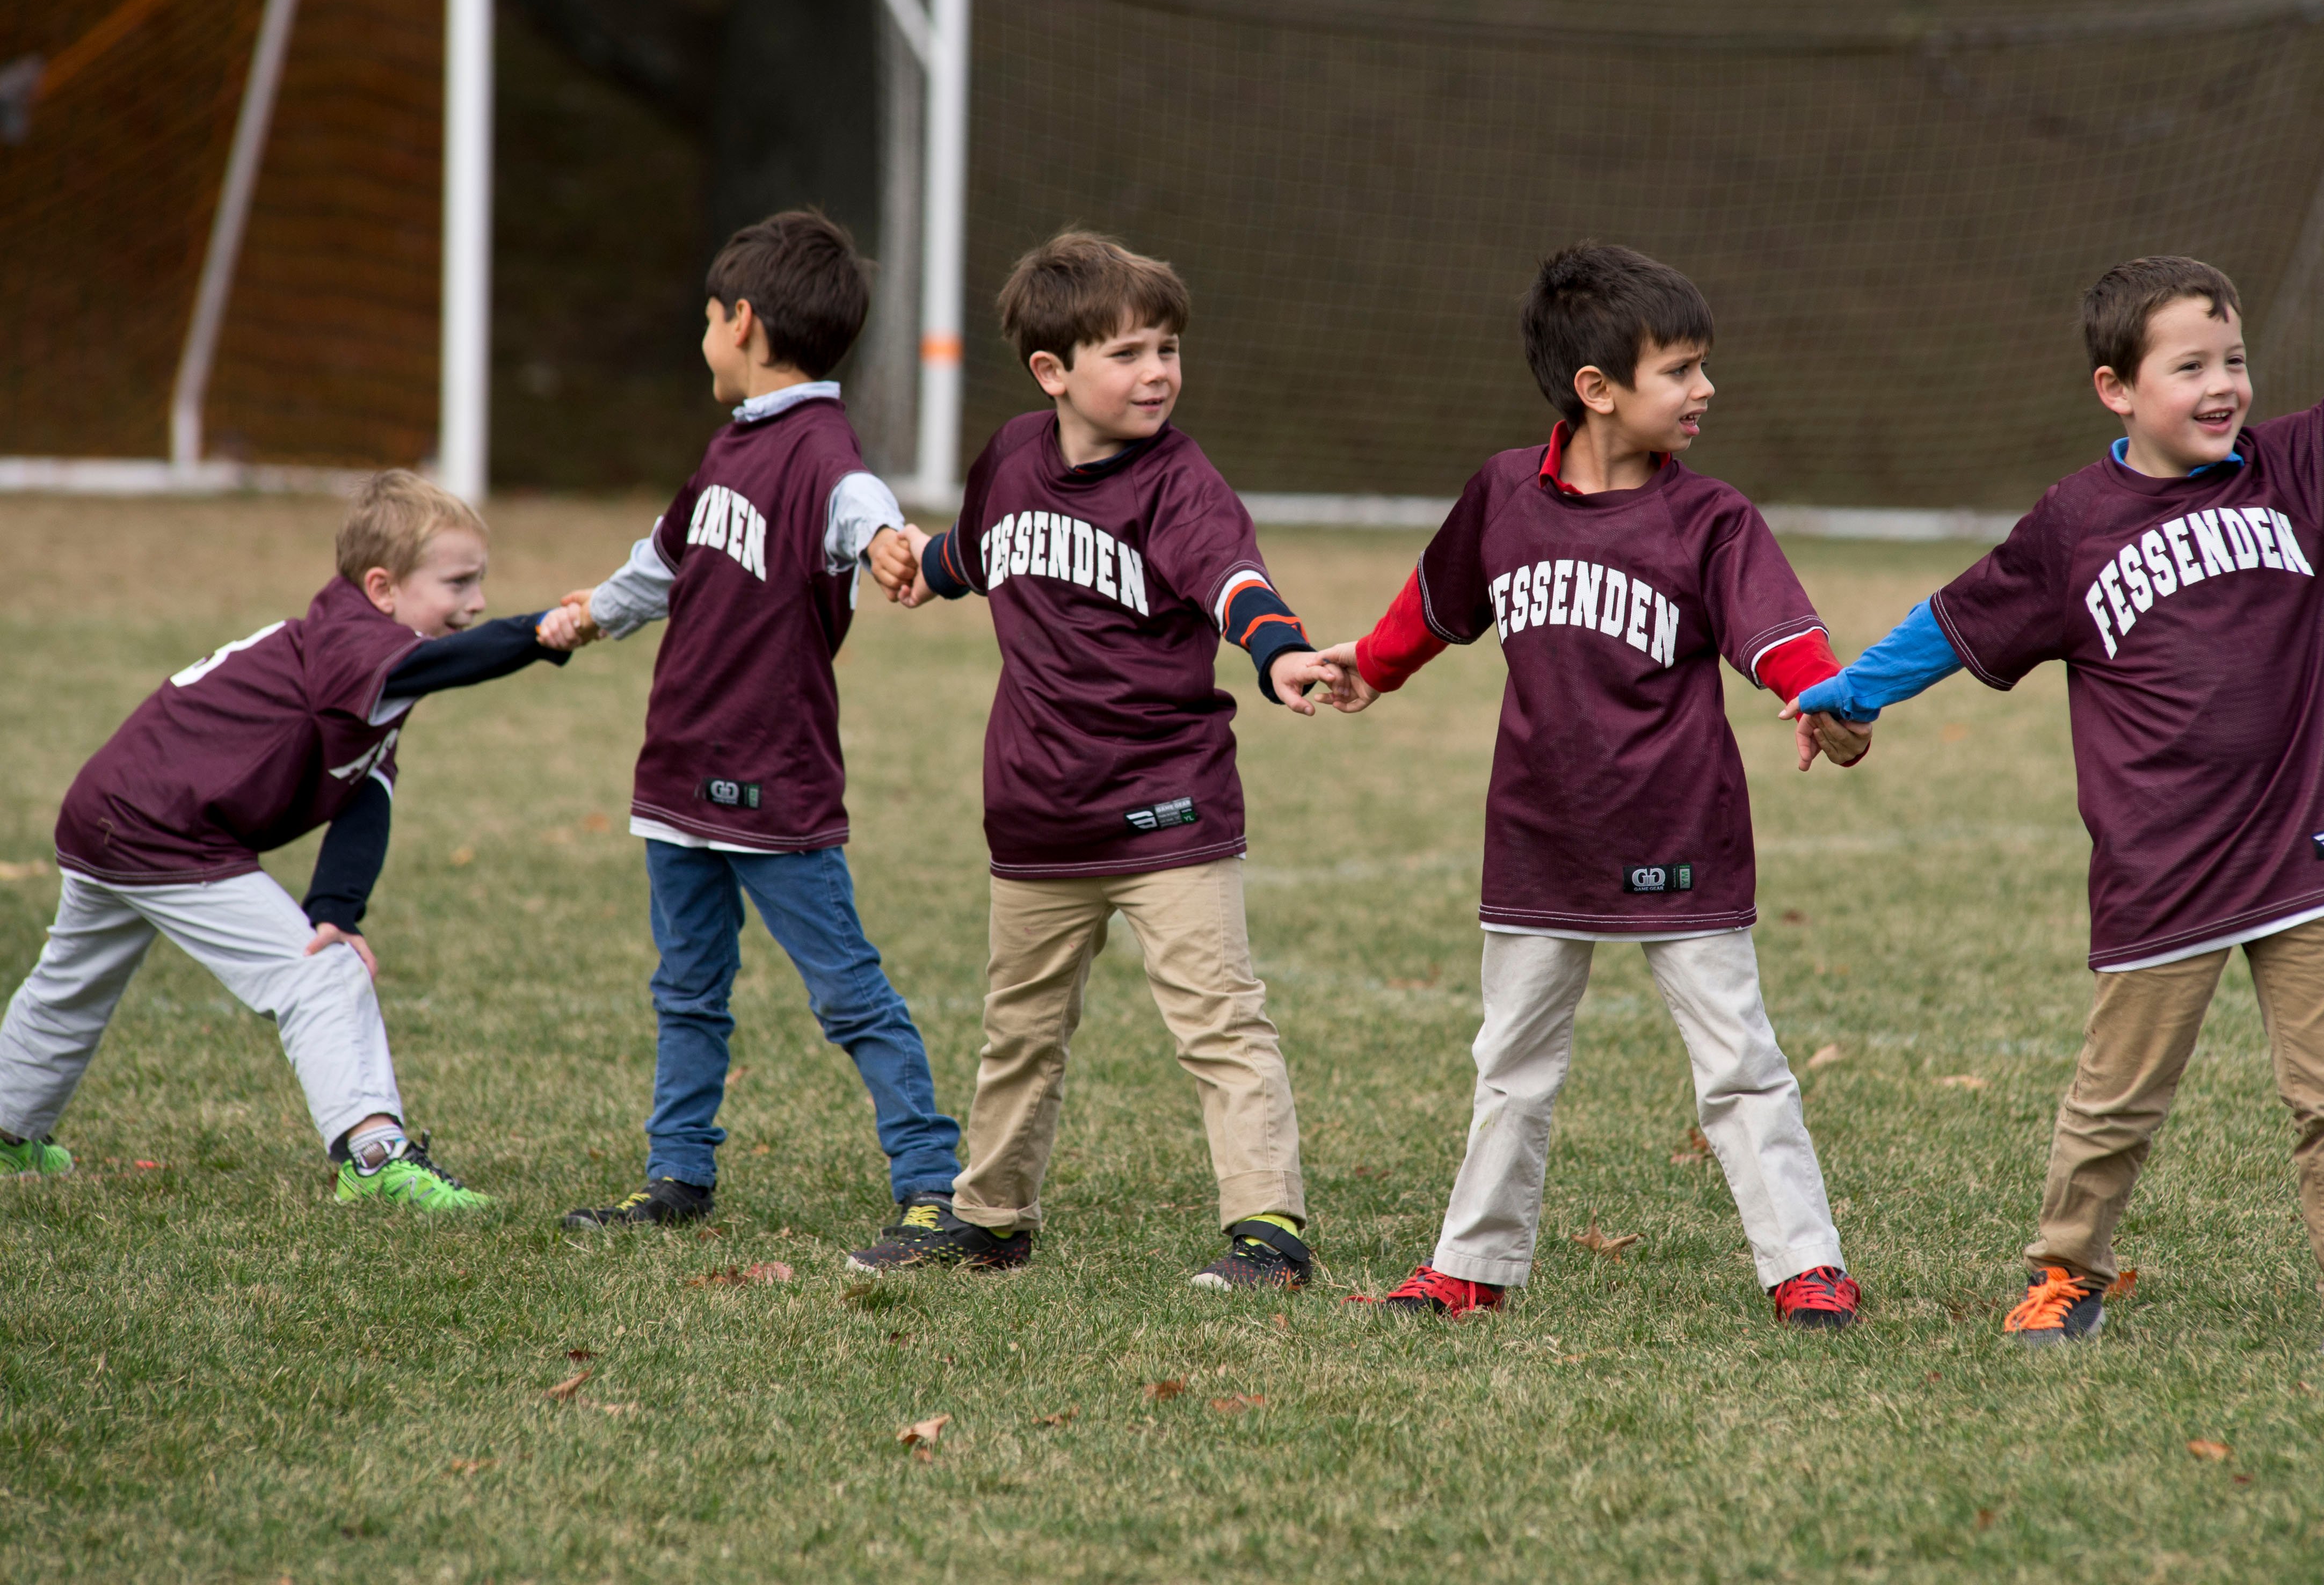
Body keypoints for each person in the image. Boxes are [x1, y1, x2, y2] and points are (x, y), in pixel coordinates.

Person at [1793, 182, 2324, 1357]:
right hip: (2161, 864)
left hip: (2306, 841)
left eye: (2232, 357)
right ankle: (2067, 1274)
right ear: (2117, 390)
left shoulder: (2297, 467)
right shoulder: (2072, 527)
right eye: (2188, 366)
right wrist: (1849, 692)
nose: (2222, 384)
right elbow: (1951, 617)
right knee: (2116, 1101)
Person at [1317, 243, 1874, 1328]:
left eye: (1702, 366)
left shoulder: (1711, 519)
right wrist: (1369, 668)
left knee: (1738, 1063)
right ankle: (1471, 1262)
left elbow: (1781, 639)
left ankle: (1805, 1263)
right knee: (1510, 1062)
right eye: (1679, 369)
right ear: (1596, 389)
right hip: (1539, 835)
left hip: (1679, 831)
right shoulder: (1499, 495)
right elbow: (1435, 604)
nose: (1704, 389)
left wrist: (1828, 703)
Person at [860, 230, 1339, 1290]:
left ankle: (1268, 1227)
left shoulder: (1181, 483)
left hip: (1166, 808)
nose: (1157, 372)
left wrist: (1282, 653)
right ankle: (990, 1217)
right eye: (1127, 353)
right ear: (1054, 372)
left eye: (1167, 348)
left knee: (1220, 1021)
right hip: (1036, 813)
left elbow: (1234, 585)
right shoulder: (1013, 457)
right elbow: (978, 548)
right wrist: (916, 565)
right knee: (1019, 1029)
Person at [550, 210, 964, 1241]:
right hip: (680, 774)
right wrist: (591, 614)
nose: (703, 342)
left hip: (774, 789)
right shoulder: (731, 447)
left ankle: (932, 1182)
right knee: (687, 991)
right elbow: (665, 558)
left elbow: (862, 503)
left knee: (849, 996)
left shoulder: (823, 452)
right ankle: (676, 1179)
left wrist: (886, 543)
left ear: (741, 322)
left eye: (705, 322)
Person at [0, 470, 577, 1206]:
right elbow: (446, 664)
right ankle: (375, 1159)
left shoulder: (362, 651)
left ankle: (8, 1133)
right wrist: (535, 634)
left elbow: (367, 793)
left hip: (111, 812)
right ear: (384, 587)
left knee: (72, 983)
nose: (477, 602)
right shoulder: (358, 645)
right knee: (322, 973)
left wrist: (337, 906)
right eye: (459, 583)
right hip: (164, 829)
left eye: (481, 584)